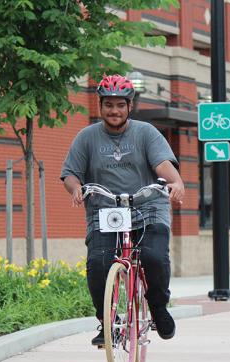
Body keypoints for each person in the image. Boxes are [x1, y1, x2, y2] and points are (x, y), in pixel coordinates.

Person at [60, 74, 185, 346]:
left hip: (148, 207)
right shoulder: (87, 137)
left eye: (120, 105)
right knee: (98, 265)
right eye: (108, 105)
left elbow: (163, 164)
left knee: (153, 258)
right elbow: (71, 173)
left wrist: (175, 181)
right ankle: (108, 322)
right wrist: (76, 189)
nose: (114, 110)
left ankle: (159, 308)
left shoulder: (146, 133)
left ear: (130, 106)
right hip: (106, 210)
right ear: (100, 106)